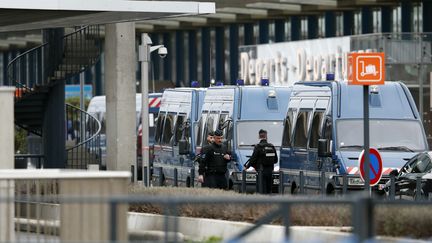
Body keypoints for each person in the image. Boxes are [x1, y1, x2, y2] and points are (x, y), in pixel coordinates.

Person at [244, 129, 277, 194]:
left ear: (259, 136)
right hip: (270, 171)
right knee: (268, 189)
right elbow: (276, 160)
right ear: (266, 136)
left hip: (261, 170)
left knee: (261, 189)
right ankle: (269, 203)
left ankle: (262, 203)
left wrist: (247, 167)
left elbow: (253, 159)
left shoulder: (258, 147)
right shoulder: (272, 146)